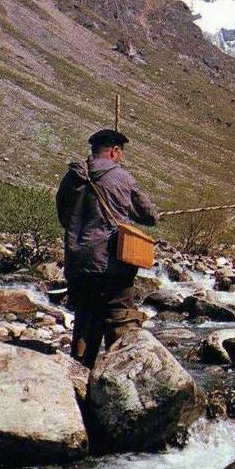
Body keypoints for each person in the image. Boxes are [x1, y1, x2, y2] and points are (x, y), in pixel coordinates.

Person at [56, 129, 159, 367]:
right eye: (120, 152)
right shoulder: (122, 178)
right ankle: (119, 375)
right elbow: (149, 215)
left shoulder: (71, 177)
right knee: (120, 317)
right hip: (112, 265)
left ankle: (79, 377)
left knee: (85, 319)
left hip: (79, 263)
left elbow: (64, 216)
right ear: (114, 151)